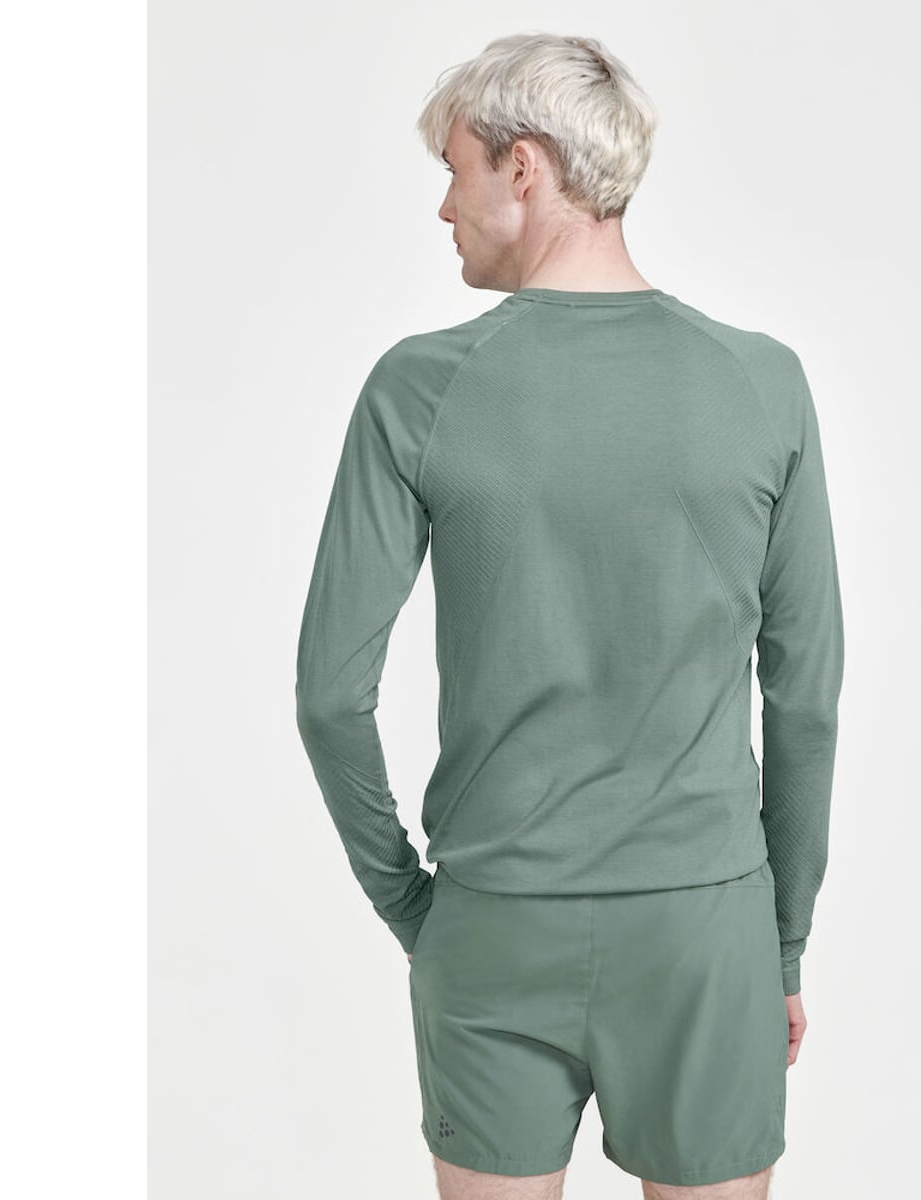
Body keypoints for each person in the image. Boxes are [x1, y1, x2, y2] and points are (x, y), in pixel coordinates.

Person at [295, 31, 845, 1200]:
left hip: (495, 923)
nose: (445, 207)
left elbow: (330, 696)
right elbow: (804, 699)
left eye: (455, 170)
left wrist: (417, 909)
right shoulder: (763, 383)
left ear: (525, 165)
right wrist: (780, 946)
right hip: (705, 933)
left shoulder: (419, 388)